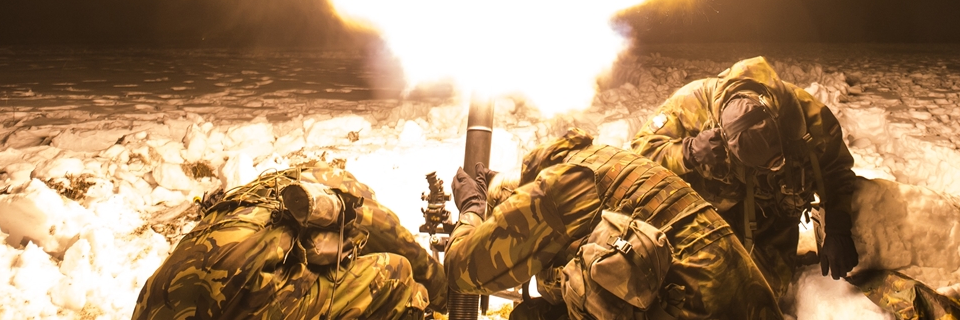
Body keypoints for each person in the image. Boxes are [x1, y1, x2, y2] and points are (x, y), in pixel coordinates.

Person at [444, 128, 783, 320]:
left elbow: (463, 267)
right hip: (754, 303)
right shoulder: (606, 161)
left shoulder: (556, 187)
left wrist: (473, 209)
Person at [628, 56, 859, 292]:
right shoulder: (690, 105)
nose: (775, 167)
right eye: (765, 164)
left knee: (762, 298)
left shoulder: (809, 115)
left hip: (772, 222)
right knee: (689, 292)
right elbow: (639, 154)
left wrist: (838, 227)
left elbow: (836, 170)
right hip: (707, 217)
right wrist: (689, 151)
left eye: (777, 160)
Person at [133, 162, 444, 320]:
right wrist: (443, 287)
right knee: (396, 273)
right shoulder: (333, 183)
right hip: (237, 307)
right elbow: (392, 235)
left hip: (156, 303)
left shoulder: (251, 196)